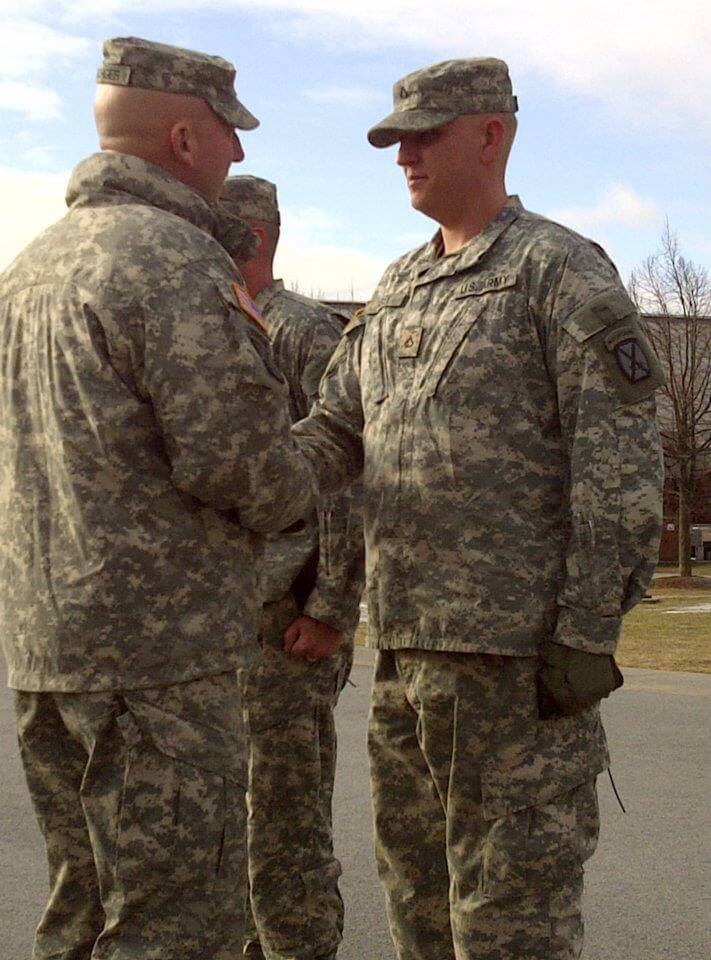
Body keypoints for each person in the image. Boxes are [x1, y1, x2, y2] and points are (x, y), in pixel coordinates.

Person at [293, 57, 665, 960]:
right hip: (407, 650)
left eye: (424, 135)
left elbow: (617, 466)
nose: (403, 156)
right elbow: (331, 436)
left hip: (515, 661)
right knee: (416, 901)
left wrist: (584, 634)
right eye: (395, 140)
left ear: (491, 133)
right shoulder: (397, 288)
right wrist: (214, 468)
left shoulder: (557, 272)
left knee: (510, 923)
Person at [0, 36, 319, 960]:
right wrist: (312, 466)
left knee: (83, 908)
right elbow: (241, 468)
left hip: (49, 650)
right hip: (156, 665)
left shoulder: (31, 267)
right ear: (183, 137)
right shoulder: (173, 261)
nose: (240, 154)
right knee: (174, 923)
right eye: (230, 131)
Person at [218, 175, 364, 960]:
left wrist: (334, 604)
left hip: (285, 629)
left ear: (255, 236)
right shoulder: (206, 325)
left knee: (282, 832)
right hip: (214, 632)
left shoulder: (303, 332)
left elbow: (347, 471)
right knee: (221, 833)